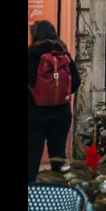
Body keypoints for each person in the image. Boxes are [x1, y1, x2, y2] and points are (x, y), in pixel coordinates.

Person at [27, 20, 81, 184]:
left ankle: (31, 192)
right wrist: (59, 95)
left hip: (35, 114)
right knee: (59, 155)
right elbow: (76, 82)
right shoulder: (64, 53)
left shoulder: (31, 54)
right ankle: (62, 192)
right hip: (61, 113)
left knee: (32, 154)